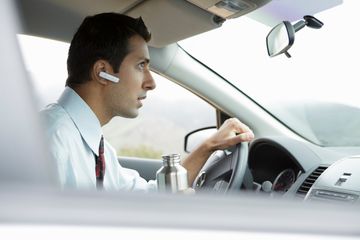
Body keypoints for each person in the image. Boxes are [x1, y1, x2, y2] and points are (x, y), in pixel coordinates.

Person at [41, 12, 254, 192]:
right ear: (103, 72)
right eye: (141, 65)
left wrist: (209, 146)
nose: (151, 83)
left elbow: (148, 198)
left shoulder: (95, 146)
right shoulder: (51, 140)